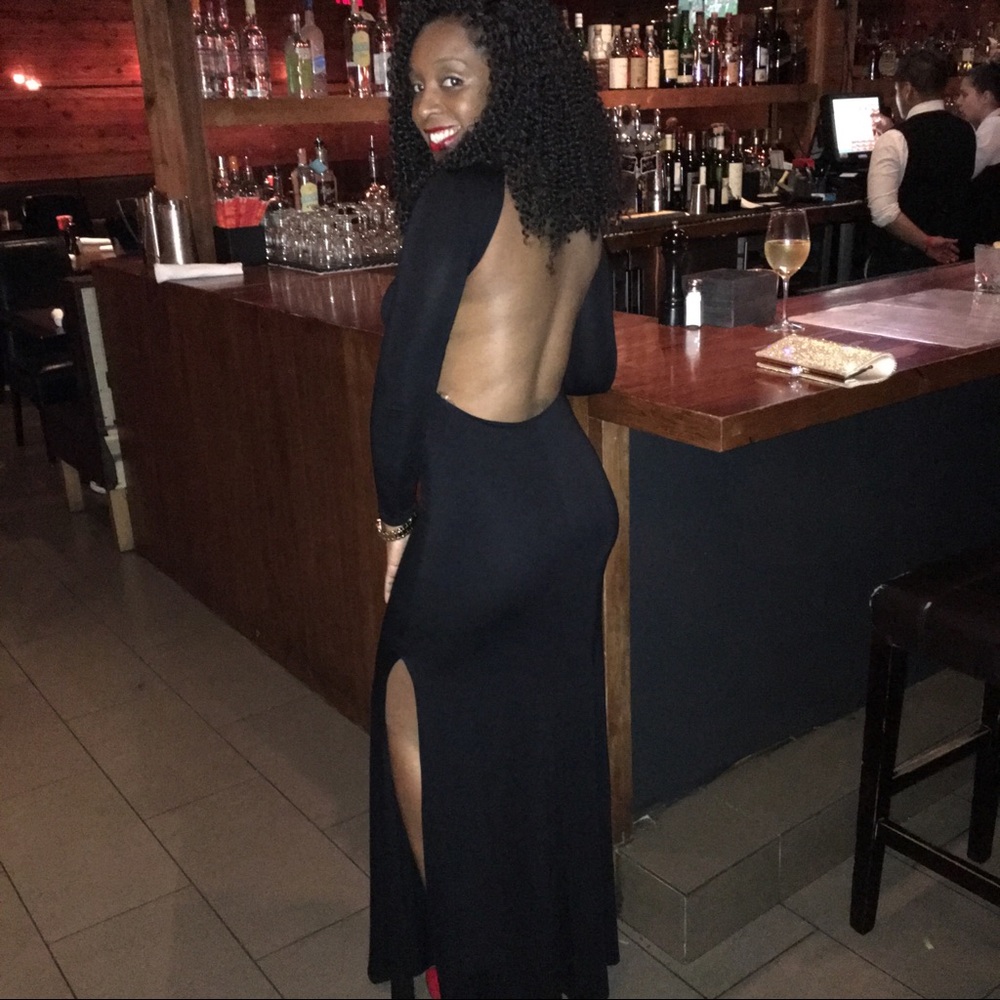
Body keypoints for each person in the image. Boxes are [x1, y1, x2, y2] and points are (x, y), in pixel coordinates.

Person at [366, 2, 621, 998]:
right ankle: (554, 956)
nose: (427, 107)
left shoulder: (459, 196)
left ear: (509, 81)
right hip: (567, 499)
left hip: (478, 511)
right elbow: (590, 366)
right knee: (543, 744)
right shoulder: (575, 197)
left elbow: (400, 393)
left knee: (409, 711)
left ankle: (465, 966)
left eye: (452, 81)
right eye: (415, 86)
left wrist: (394, 521)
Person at [865, 47, 977, 277]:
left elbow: (883, 212)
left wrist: (926, 242)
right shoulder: (966, 131)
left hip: (901, 264)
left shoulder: (895, 139)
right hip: (955, 257)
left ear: (907, 90)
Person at [956, 61, 1000, 247]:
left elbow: (965, 170)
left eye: (964, 95)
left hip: (989, 230)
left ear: (986, 97)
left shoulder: (994, 126)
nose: (958, 101)